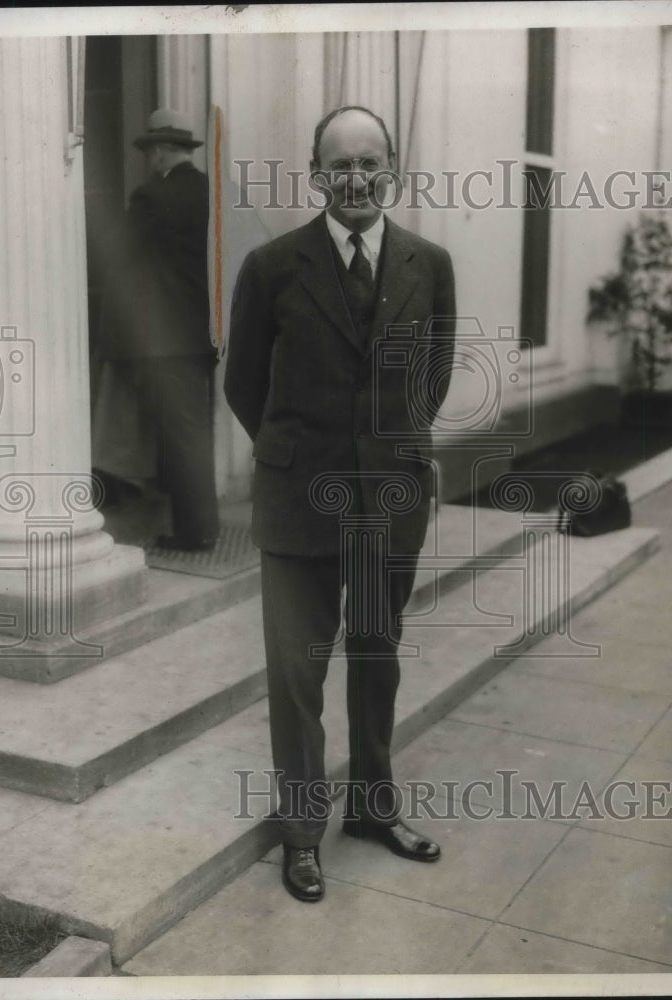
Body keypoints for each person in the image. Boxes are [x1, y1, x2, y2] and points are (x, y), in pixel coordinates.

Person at [225, 106, 456, 902]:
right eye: (339, 165)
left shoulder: (430, 263)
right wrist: (298, 457)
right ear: (316, 173)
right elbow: (242, 381)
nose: (356, 179)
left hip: (391, 499)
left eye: (371, 163)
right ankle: (301, 835)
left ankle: (371, 809)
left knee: (377, 657)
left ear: (393, 165)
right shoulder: (272, 267)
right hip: (298, 502)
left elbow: (434, 376)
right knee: (296, 674)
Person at [97, 108, 219, 552]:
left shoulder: (152, 198)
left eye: (151, 151)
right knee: (193, 431)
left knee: (177, 436)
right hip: (201, 337)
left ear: (164, 151)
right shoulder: (213, 193)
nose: (150, 161)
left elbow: (119, 253)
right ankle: (200, 526)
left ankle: (194, 532)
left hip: (165, 341)